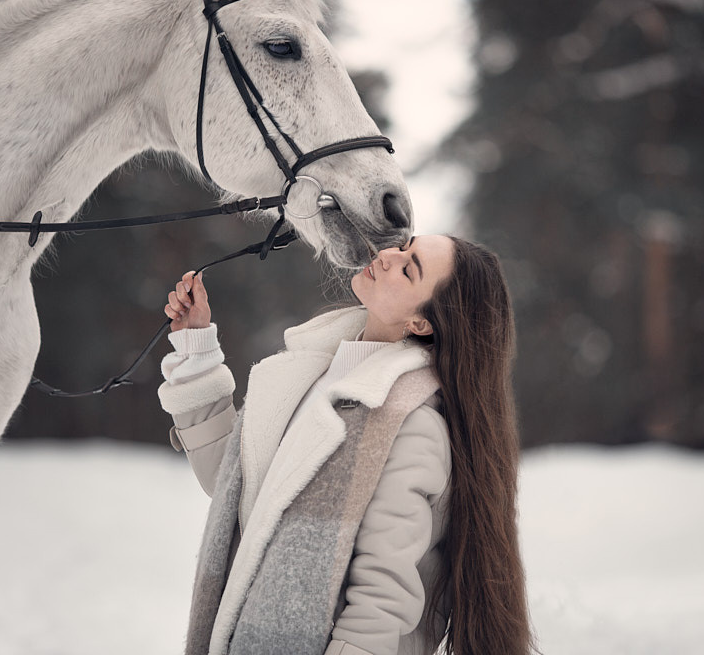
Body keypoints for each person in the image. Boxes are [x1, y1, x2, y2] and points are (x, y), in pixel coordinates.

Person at [159, 235, 533, 655]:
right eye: (404, 246)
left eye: (409, 268)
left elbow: (380, 605)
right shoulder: (313, 375)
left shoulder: (411, 426)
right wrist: (197, 350)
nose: (388, 256)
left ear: (421, 323)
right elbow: (242, 492)